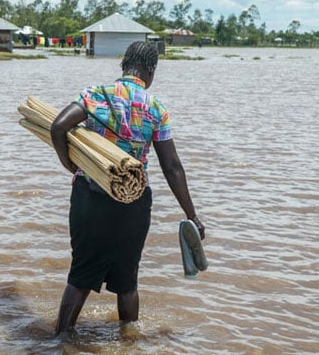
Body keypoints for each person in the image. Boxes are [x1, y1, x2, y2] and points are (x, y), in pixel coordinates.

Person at [50, 41, 205, 335]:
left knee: (80, 275)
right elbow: (172, 166)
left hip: (90, 196)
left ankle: (60, 341)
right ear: (150, 70)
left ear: (123, 65)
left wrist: (70, 165)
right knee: (127, 280)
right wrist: (192, 215)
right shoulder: (156, 109)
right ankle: (128, 341)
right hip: (133, 202)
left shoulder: (95, 95)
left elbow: (57, 127)